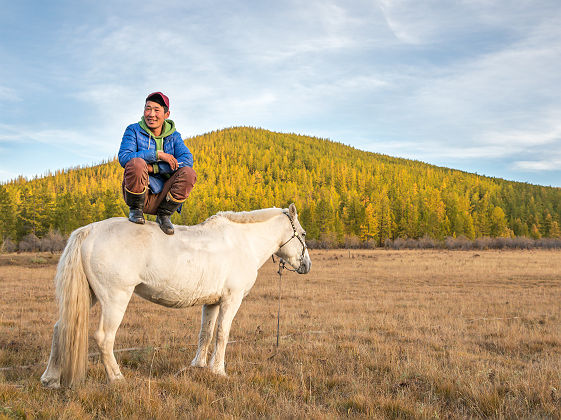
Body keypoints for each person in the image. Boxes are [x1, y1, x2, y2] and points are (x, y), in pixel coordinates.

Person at [118, 92, 196, 235]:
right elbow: (124, 157)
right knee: (136, 163)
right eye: (148, 108)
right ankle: (135, 211)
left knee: (189, 173)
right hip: (140, 192)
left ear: (167, 114)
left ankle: (164, 215)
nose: (151, 114)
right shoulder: (133, 130)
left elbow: (187, 160)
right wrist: (157, 155)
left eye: (156, 110)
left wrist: (154, 168)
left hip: (164, 196)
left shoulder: (174, 136)